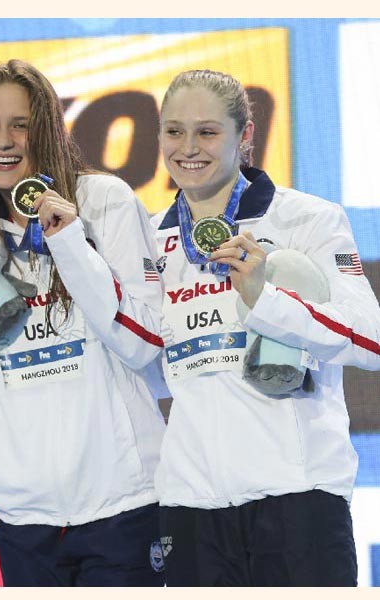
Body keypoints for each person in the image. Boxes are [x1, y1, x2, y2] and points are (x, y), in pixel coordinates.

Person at [0, 60, 167, 586]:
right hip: (25, 513)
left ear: (48, 127)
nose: (3, 141)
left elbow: (144, 344)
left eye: (20, 123)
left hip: (120, 499)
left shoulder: (104, 202)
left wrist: (69, 242)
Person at [151, 69, 380, 586]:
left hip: (297, 496)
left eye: (208, 132)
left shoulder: (308, 219)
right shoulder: (147, 238)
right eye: (174, 131)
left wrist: (267, 299)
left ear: (245, 136)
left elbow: (371, 336)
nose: (188, 147)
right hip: (190, 503)